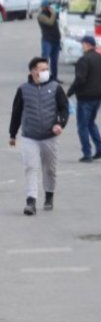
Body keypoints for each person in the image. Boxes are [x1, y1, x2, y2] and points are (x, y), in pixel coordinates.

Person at [9, 57, 69, 214]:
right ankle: (31, 202)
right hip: (30, 136)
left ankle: (49, 196)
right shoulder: (23, 89)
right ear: (33, 71)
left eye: (46, 69)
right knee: (30, 167)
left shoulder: (55, 88)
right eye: (42, 69)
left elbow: (64, 108)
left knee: (49, 169)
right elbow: (16, 112)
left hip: (49, 136)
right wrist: (12, 134)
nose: (45, 72)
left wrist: (60, 124)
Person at [66, 35, 101, 162]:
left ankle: (87, 153)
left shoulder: (84, 60)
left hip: (85, 97)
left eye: (83, 44)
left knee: (83, 125)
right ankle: (100, 149)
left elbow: (80, 79)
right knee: (91, 123)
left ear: (87, 45)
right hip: (98, 97)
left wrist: (69, 92)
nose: (82, 46)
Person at [37, 0, 61, 82]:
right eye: (48, 6)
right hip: (47, 40)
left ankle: (54, 77)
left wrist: (57, 10)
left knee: (54, 61)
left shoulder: (51, 14)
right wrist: (54, 13)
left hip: (55, 40)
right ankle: (43, 78)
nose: (50, 8)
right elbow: (50, 22)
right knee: (45, 60)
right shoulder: (41, 16)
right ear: (44, 7)